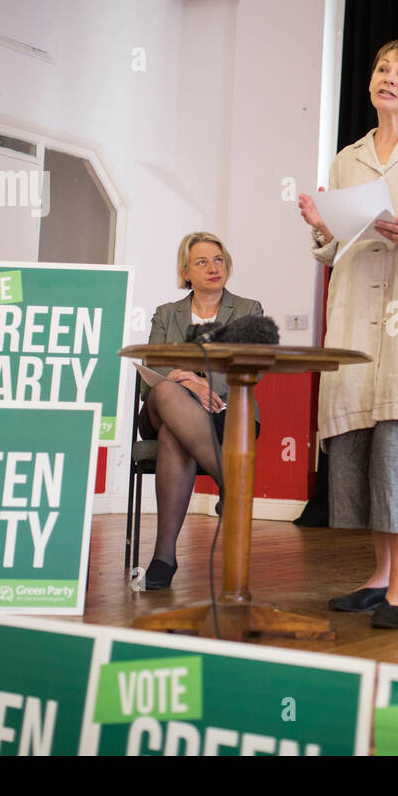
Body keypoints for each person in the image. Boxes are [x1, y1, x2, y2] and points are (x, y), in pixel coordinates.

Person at [297, 39, 398, 628]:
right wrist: (320, 227)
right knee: (364, 447)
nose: (388, 77)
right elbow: (339, 247)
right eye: (381, 68)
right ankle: (380, 574)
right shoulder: (347, 158)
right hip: (358, 317)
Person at [138, 232, 264, 589]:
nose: (213, 268)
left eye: (219, 259)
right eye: (202, 262)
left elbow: (248, 365)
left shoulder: (247, 310)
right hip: (166, 404)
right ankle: (233, 483)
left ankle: (163, 557)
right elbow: (153, 371)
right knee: (166, 395)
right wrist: (191, 383)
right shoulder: (166, 314)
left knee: (172, 435)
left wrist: (195, 380)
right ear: (186, 272)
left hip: (228, 412)